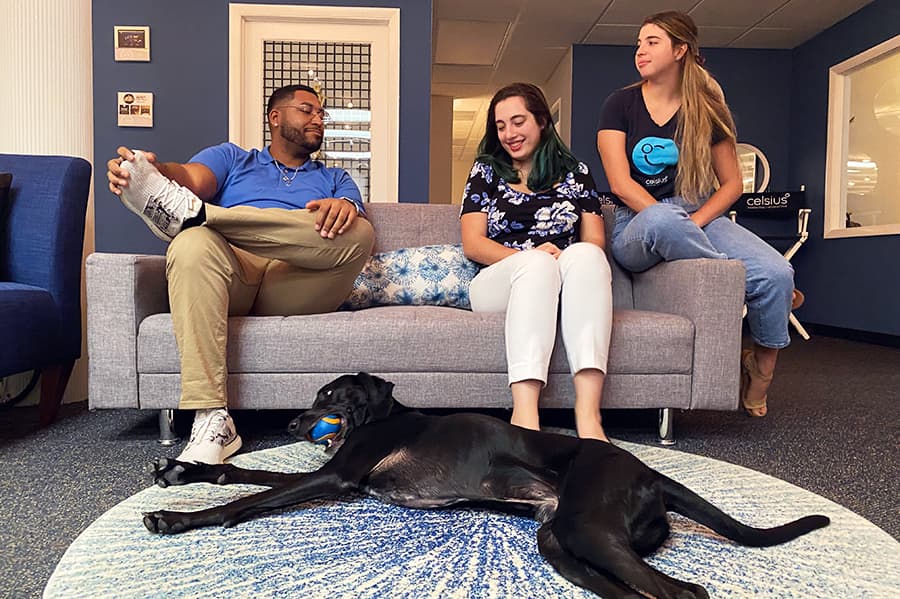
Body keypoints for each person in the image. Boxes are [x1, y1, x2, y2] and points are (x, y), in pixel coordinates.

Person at [107, 83, 375, 463]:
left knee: (360, 231)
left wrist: (344, 208)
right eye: (307, 109)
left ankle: (201, 216)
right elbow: (188, 176)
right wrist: (150, 172)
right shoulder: (233, 159)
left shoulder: (336, 179)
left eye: (321, 114)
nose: (318, 119)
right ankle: (212, 419)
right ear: (275, 117)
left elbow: (351, 230)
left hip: (297, 280)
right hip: (234, 272)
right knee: (190, 244)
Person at [596, 11, 800, 418]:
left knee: (777, 274)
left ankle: (759, 373)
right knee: (663, 220)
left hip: (694, 213)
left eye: (652, 42)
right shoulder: (620, 104)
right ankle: (741, 285)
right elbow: (620, 184)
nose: (640, 51)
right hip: (636, 223)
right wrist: (669, 219)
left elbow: (731, 185)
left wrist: (695, 221)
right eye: (639, 43)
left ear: (680, 50)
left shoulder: (706, 111)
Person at [460, 82, 613, 441]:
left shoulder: (577, 173)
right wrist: (529, 257)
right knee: (537, 265)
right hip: (498, 283)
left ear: (542, 121)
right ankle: (525, 417)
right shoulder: (486, 171)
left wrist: (563, 257)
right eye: (500, 126)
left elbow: (595, 240)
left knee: (587, 254)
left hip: (558, 279)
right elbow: (473, 244)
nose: (509, 134)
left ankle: (588, 416)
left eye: (518, 122)